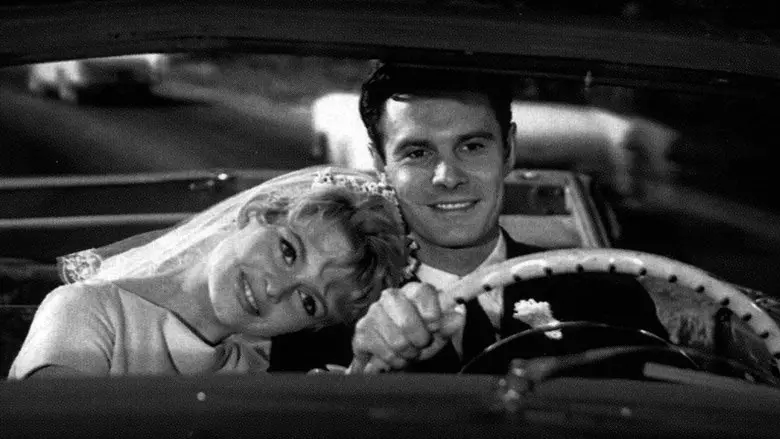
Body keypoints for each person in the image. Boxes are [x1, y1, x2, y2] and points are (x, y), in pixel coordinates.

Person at [269, 64, 668, 374]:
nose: (448, 177)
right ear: (381, 164)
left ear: (508, 150)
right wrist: (361, 369)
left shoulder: (607, 295)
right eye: (417, 153)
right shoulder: (325, 310)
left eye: (472, 146)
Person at [8, 166, 407, 378]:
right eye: (288, 251)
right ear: (254, 214)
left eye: (308, 301)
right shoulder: (87, 310)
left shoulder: (253, 367)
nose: (276, 290)